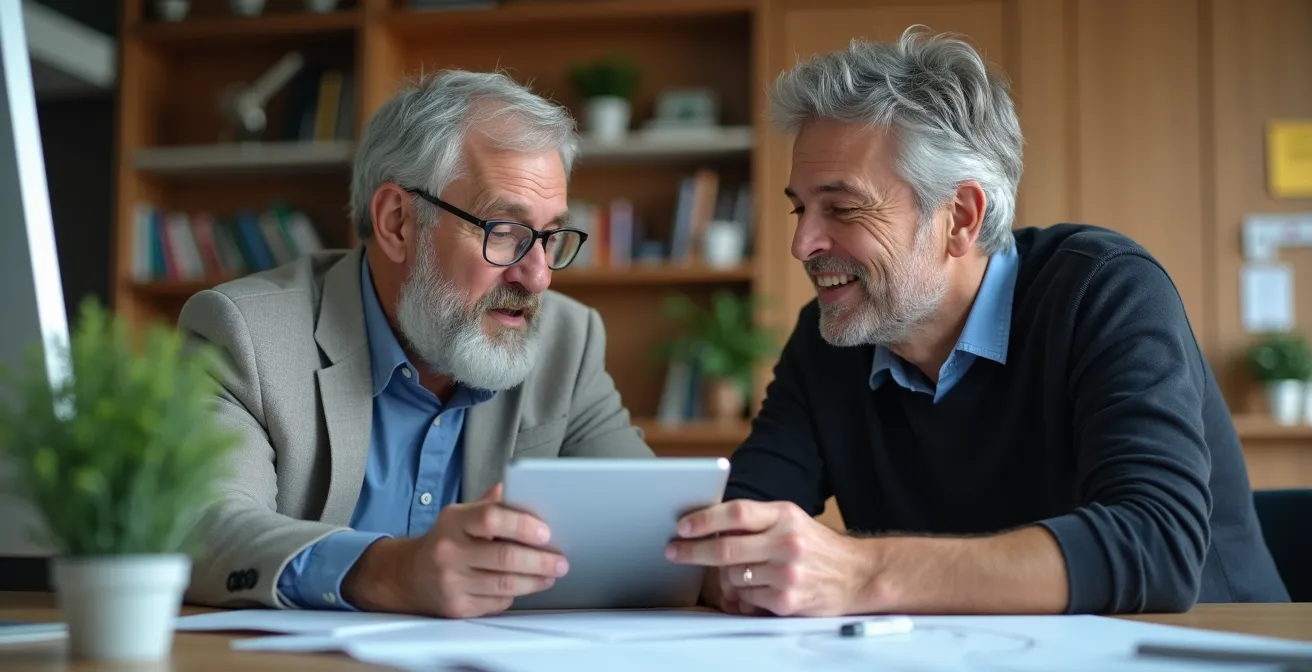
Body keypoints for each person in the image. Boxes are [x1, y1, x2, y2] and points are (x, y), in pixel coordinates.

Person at [664, 29, 1289, 617]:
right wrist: (725, 563)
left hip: (1206, 645)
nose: (801, 244)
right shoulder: (832, 335)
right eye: (800, 209)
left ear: (960, 217)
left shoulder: (1104, 290)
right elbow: (738, 527)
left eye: (843, 208)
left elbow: (1157, 546)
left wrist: (861, 573)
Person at [178, 70, 653, 618]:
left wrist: (732, 570)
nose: (538, 276)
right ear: (398, 222)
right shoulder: (247, 334)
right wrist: (391, 571)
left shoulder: (567, 342)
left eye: (550, 238)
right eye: (504, 231)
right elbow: (201, 524)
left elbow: (647, 531)